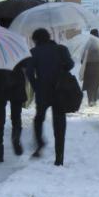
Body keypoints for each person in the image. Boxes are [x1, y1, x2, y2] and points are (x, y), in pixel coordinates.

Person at [26, 28, 74, 166]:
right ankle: (59, 158)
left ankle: (40, 143)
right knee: (59, 123)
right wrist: (61, 69)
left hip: (43, 92)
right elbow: (71, 65)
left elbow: (29, 73)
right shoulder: (61, 49)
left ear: (36, 40)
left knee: (39, 118)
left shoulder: (34, 53)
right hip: (60, 90)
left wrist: (36, 86)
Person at [0, 60, 28, 161]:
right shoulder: (16, 49)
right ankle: (16, 138)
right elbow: (26, 63)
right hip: (17, 83)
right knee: (16, 116)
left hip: (1, 84)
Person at [81, 29, 99, 106]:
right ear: (98, 34)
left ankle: (90, 100)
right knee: (96, 83)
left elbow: (83, 56)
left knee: (89, 84)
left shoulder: (87, 43)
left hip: (88, 66)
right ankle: (94, 99)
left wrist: (83, 63)